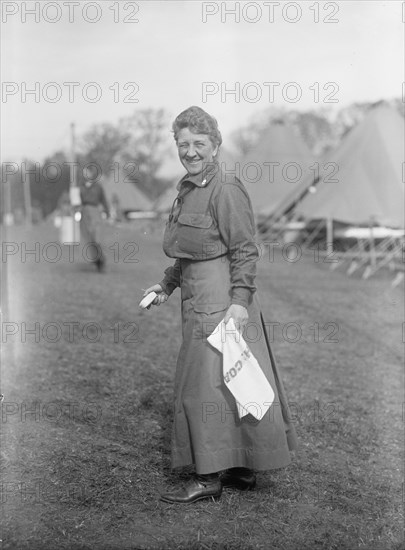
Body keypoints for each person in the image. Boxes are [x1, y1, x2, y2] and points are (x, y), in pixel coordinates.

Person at [143, 106, 298, 504]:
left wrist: (240, 302)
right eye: (183, 144)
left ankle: (207, 477)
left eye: (199, 143)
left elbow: (245, 249)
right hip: (196, 294)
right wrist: (165, 285)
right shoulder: (187, 189)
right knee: (230, 386)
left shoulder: (225, 188)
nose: (190, 152)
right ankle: (243, 468)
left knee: (206, 388)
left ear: (215, 145)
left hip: (221, 300)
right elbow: (188, 253)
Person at [79, 166, 110, 272]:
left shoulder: (98, 187)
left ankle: (102, 259)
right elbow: (75, 201)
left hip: (94, 211)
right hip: (84, 212)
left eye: (88, 172)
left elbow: (104, 200)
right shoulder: (80, 186)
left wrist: (107, 212)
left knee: (97, 238)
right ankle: (96, 260)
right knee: (88, 239)